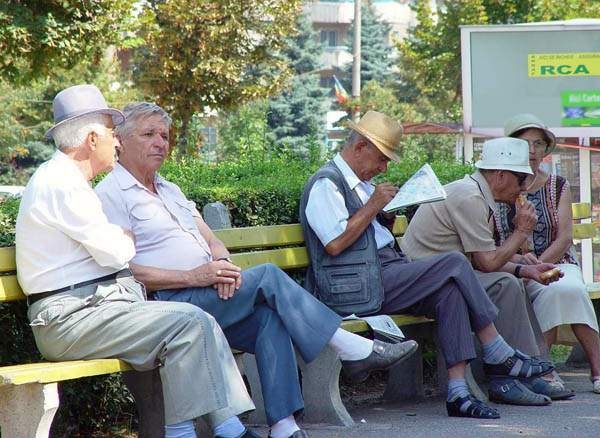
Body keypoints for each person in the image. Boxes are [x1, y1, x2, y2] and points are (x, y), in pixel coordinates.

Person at [95, 102, 418, 438]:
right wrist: (195, 276)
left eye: (164, 136)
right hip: (168, 305)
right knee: (267, 276)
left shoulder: (169, 189)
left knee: (269, 319)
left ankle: (283, 426)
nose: (160, 143)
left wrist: (223, 266)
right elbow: (125, 271)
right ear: (121, 141)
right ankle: (349, 347)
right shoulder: (112, 194)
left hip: (208, 294)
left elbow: (211, 240)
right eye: (149, 134)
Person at [15, 85, 262, 438]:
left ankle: (227, 427)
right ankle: (198, 432)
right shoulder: (61, 184)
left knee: (191, 322)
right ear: (91, 139)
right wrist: (124, 238)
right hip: (69, 319)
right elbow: (118, 252)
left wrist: (120, 238)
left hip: (93, 308)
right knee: (188, 323)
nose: (117, 142)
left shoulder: (67, 180)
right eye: (111, 132)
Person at [300, 111, 554, 419]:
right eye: (382, 159)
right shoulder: (326, 184)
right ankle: (497, 349)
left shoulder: (362, 186)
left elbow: (366, 236)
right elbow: (334, 243)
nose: (383, 168)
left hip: (382, 274)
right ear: (360, 147)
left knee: (450, 292)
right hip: (357, 286)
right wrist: (373, 206)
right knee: (454, 263)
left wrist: (383, 217)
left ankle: (458, 393)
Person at [401, 134, 575, 399]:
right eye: (521, 179)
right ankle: (509, 376)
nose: (524, 188)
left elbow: (479, 259)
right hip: (427, 283)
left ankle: (530, 370)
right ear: (500, 175)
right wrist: (521, 232)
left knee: (513, 282)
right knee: (505, 285)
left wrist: (524, 269)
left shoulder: (478, 194)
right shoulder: (469, 197)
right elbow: (487, 262)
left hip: (450, 275)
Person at [497, 113, 600, 394]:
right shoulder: (500, 182)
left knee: (568, 288)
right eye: (525, 143)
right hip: (513, 264)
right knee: (553, 291)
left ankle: (592, 369)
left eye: (538, 143)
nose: (532, 150)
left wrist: (540, 267)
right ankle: (544, 367)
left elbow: (565, 237)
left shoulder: (557, 184)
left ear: (545, 149)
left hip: (558, 261)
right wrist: (527, 268)